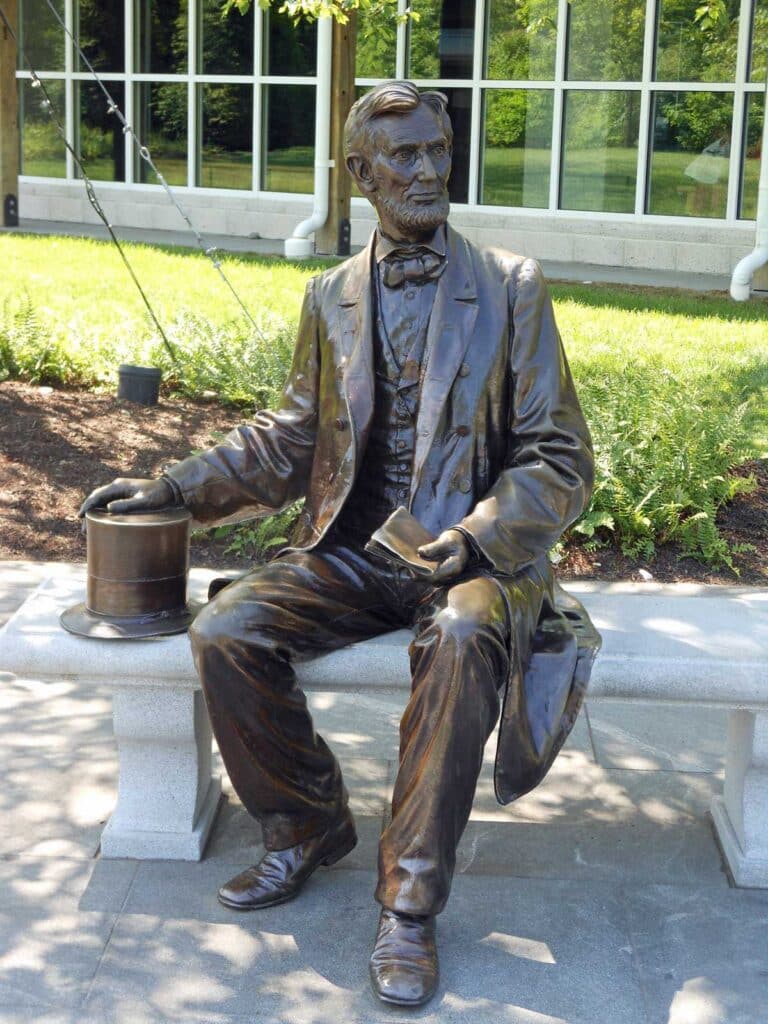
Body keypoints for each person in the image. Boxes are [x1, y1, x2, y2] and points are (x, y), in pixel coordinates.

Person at [80, 80, 598, 1008]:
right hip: (357, 549)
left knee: (462, 636)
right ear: (361, 173)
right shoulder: (330, 295)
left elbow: (558, 454)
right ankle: (307, 824)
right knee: (228, 629)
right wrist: (173, 489)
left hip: (469, 558)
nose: (429, 170)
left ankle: (408, 904)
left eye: (438, 151)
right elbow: (286, 439)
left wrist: (479, 539)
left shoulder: (511, 286)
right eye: (404, 156)